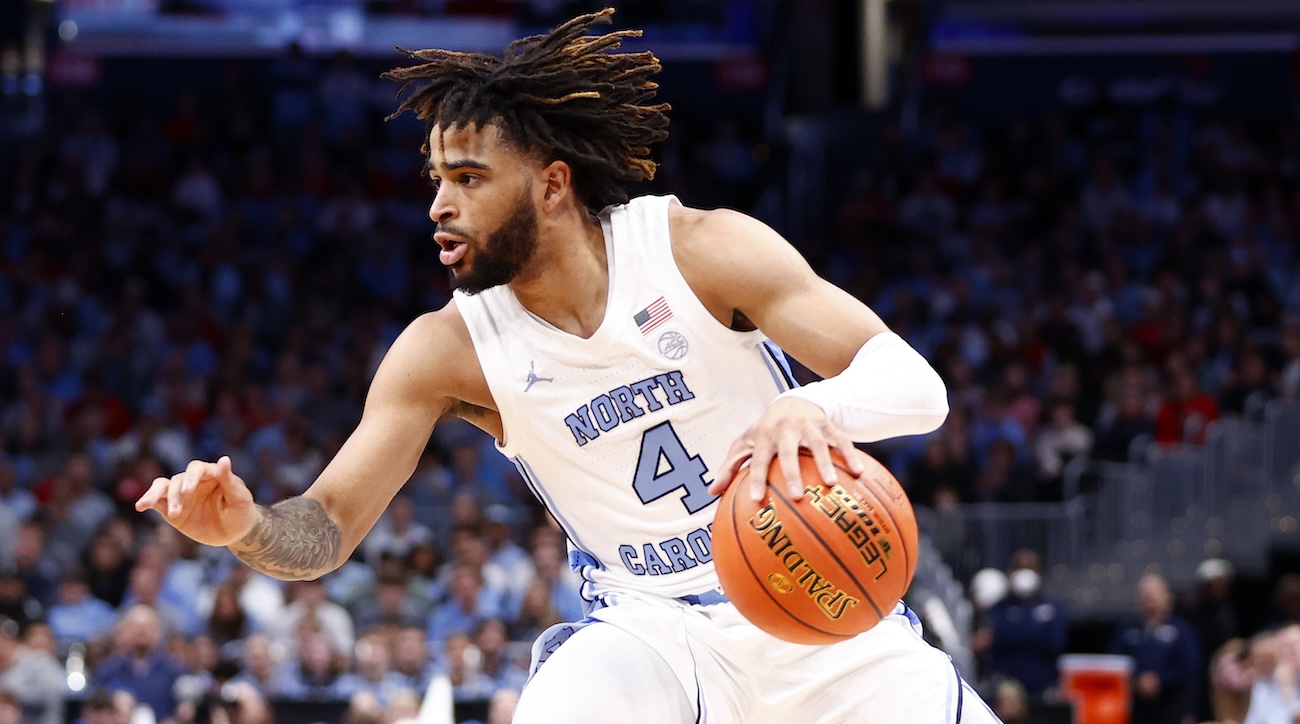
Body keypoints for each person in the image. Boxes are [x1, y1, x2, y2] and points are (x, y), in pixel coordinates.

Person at [135, 9, 998, 722]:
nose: (439, 203)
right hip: (656, 634)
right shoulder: (450, 348)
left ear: (552, 185)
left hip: (823, 604)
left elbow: (918, 389)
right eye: (436, 179)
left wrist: (819, 410)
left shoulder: (699, 250)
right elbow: (324, 529)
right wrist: (244, 530)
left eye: (469, 177)